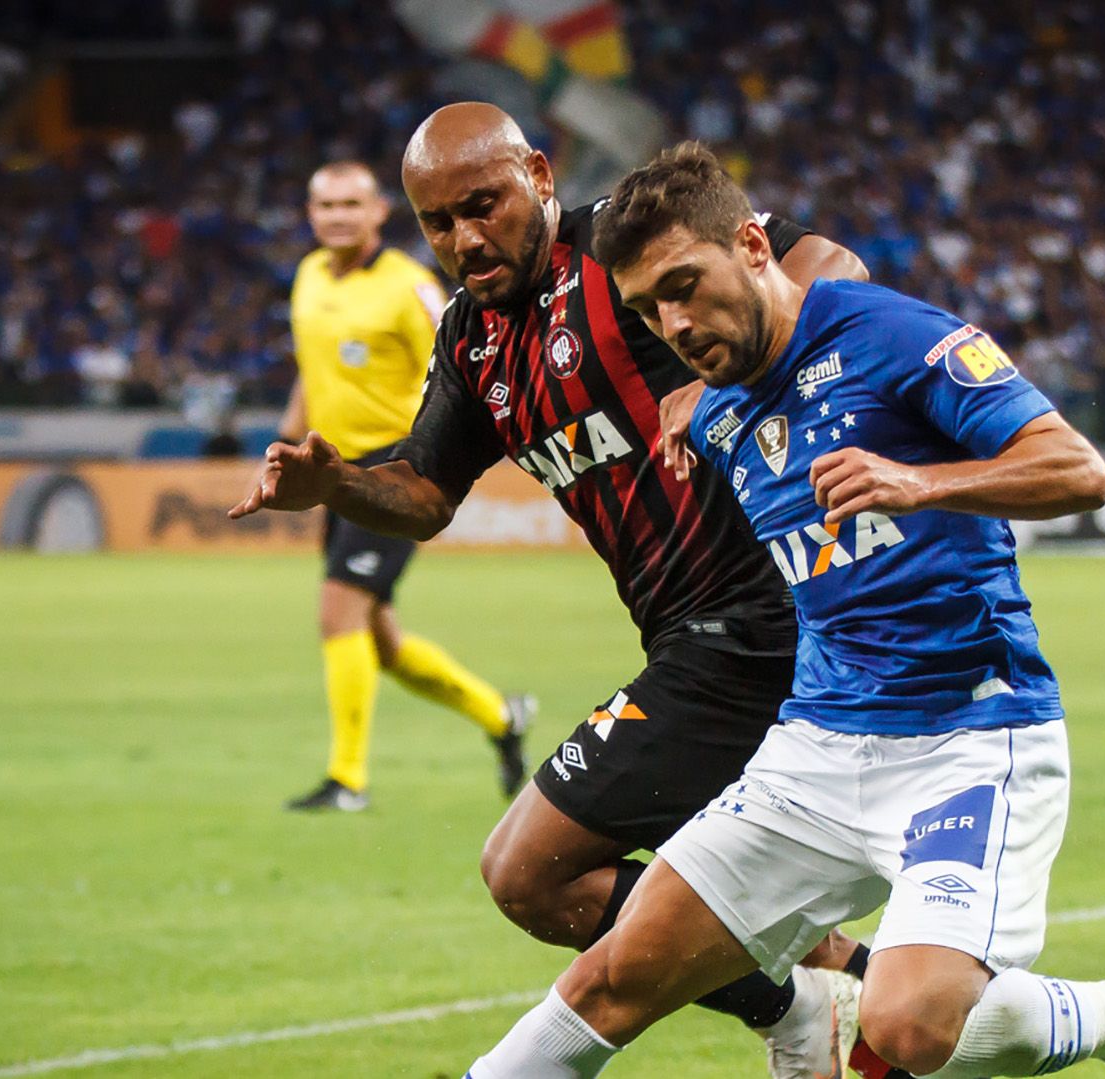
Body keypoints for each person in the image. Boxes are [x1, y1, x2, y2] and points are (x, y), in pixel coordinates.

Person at [458, 140, 1105, 1079]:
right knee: (616, 977)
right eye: (651, 308)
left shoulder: (889, 334)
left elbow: (1078, 470)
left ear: (756, 247)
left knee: (911, 1023)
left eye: (687, 285)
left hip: (966, 737)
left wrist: (919, 482)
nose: (676, 323)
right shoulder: (720, 412)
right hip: (812, 749)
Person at [233, 105, 888, 1078]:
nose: (464, 237)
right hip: (688, 639)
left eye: (482, 205)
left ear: (538, 175)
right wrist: (337, 486)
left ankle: (811, 1002)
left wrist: (726, 380)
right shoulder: (472, 341)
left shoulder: (626, 243)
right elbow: (424, 491)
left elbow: (833, 266)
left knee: (530, 869)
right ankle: (932, 998)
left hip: (759, 617)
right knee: (639, 887)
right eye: (438, 222)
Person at [279, 160, 532, 812]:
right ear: (312, 214)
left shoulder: (409, 286)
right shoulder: (307, 277)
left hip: (390, 468)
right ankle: (502, 717)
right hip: (334, 471)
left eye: (348, 204)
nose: (336, 215)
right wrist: (288, 435)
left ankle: (347, 780)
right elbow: (315, 366)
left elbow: (463, 352)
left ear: (376, 213)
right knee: (381, 643)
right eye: (324, 204)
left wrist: (447, 449)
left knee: (339, 610)